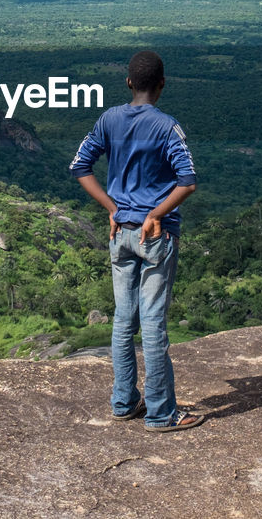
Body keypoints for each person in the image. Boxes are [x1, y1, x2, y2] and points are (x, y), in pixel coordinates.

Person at [70, 50, 203, 432]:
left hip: (121, 233)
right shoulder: (167, 126)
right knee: (154, 322)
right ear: (162, 84)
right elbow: (188, 181)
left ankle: (124, 401)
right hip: (155, 234)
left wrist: (112, 207)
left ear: (129, 83)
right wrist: (156, 214)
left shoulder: (108, 119)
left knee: (123, 319)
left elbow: (79, 166)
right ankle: (161, 412)